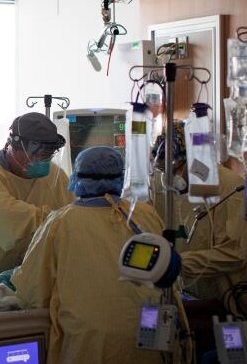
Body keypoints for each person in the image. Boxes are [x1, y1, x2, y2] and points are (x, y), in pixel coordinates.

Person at [12, 146, 164, 364]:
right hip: (149, 332)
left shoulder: (60, 223)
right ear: (121, 177)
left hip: (91, 342)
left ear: (76, 177)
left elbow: (32, 292)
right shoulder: (144, 214)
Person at [0, 112, 73, 279]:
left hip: (31, 277)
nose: (43, 159)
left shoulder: (54, 176)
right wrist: (58, 221)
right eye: (38, 153)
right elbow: (6, 221)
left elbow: (74, 214)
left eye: (48, 154)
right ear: (13, 146)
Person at [150, 122, 247, 307]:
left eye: (175, 168)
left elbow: (235, 254)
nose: (168, 178)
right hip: (184, 294)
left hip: (226, 299)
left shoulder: (231, 187)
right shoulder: (164, 187)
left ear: (197, 160)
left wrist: (180, 263)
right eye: (164, 170)